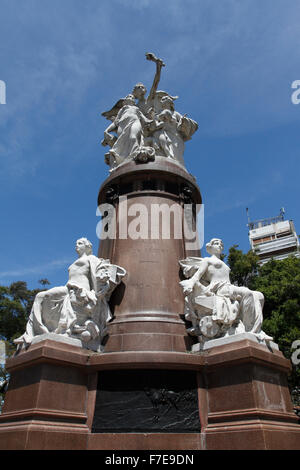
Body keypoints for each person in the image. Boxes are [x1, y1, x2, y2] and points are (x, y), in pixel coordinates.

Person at [14, 238, 126, 350]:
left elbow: (97, 276)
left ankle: (42, 331)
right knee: (40, 296)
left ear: (87, 247)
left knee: (43, 297)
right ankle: (34, 332)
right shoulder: (74, 262)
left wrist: (96, 294)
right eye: (76, 243)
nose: (76, 245)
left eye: (80, 243)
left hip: (80, 290)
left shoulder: (91, 259)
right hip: (68, 288)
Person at [179, 238, 272, 342]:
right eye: (216, 243)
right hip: (220, 288)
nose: (219, 245)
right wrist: (190, 284)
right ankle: (250, 330)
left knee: (259, 296)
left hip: (229, 286)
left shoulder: (223, 263)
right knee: (248, 293)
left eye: (221, 244)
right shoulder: (207, 260)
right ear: (210, 247)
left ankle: (257, 330)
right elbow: (197, 276)